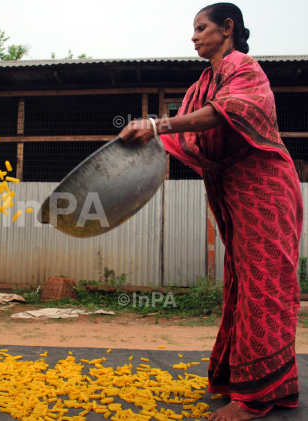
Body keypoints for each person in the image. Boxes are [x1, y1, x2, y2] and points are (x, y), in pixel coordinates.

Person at [119, 3, 303, 421]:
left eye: (201, 28)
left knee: (266, 283)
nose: (194, 36)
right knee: (242, 284)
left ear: (227, 27)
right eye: (193, 29)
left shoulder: (244, 68)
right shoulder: (201, 84)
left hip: (264, 186)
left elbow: (225, 113)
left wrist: (157, 125)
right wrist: (143, 146)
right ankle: (254, 384)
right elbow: (190, 133)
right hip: (233, 191)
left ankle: (256, 400)